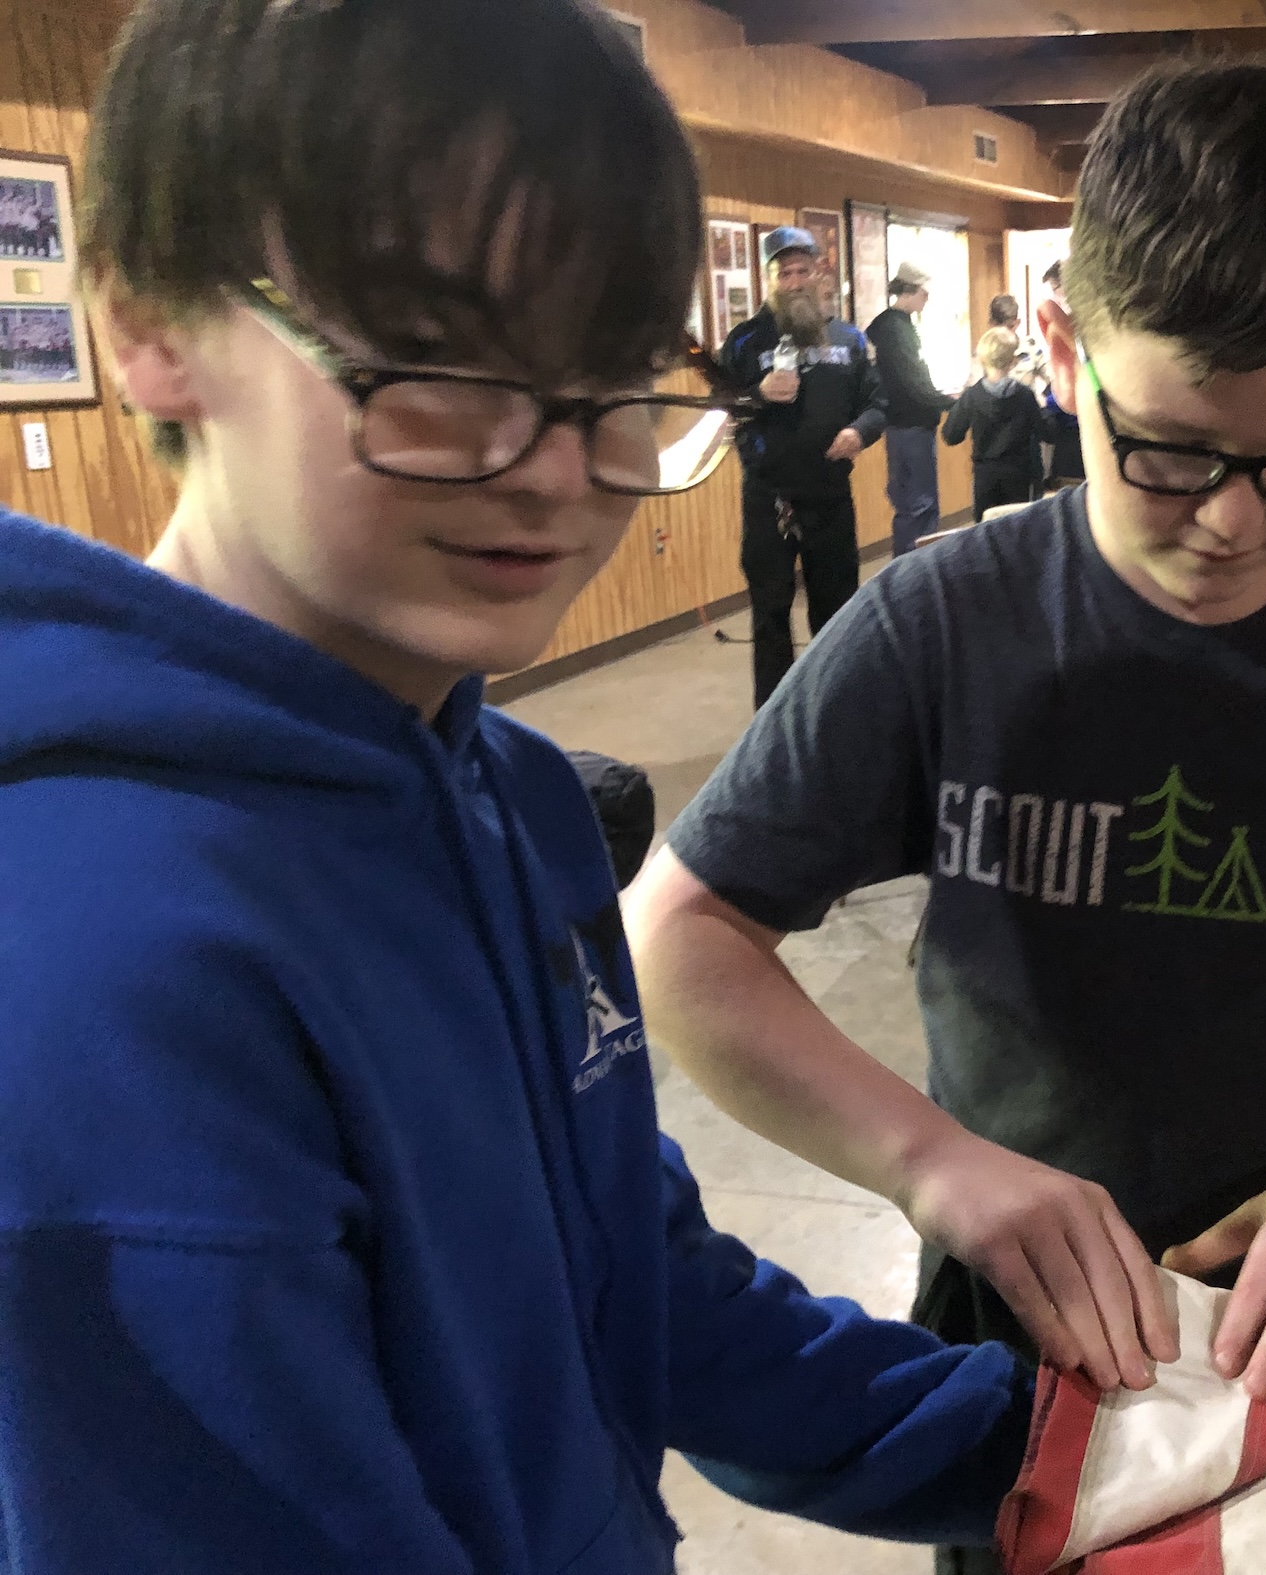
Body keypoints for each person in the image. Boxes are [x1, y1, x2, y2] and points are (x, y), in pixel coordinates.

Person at [0, 2, 1031, 1571]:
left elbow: (632, 1274)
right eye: (441, 365)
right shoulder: (95, 966)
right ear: (153, 325)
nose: (554, 471)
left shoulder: (524, 795)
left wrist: (1065, 1448)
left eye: (611, 387)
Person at [627, 59, 1266, 1575]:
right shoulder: (944, 625)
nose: (1234, 520)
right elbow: (682, 932)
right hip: (1025, 1324)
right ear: (1060, 348)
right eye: (1169, 450)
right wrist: (932, 1164)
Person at [719, 225, 888, 707]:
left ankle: (835, 709)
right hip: (768, 500)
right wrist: (757, 393)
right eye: (784, 273)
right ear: (769, 279)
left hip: (830, 498)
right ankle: (774, 718)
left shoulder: (849, 339)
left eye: (802, 271)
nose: (794, 282)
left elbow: (878, 403)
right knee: (770, 613)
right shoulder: (744, 342)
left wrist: (859, 432)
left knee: (837, 613)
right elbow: (721, 408)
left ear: (818, 274)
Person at [866, 261, 953, 558]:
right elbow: (912, 381)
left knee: (905, 504)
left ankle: (903, 565)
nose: (926, 300)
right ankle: (920, 568)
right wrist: (948, 402)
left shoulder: (886, 327)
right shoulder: (898, 330)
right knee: (922, 505)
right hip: (913, 425)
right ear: (911, 291)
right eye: (924, 294)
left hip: (896, 425)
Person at [942, 328, 1043, 521]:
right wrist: (1044, 409)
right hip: (1019, 474)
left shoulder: (972, 396)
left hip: (985, 476)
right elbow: (1045, 432)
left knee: (985, 529)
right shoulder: (1025, 395)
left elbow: (951, 435)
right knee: (1017, 527)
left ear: (982, 359)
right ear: (1013, 360)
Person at [1035, 263, 1085, 488]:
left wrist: (1046, 402)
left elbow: (1063, 397)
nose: (1056, 296)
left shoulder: (1066, 329)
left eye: (1056, 288)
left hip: (1073, 445)